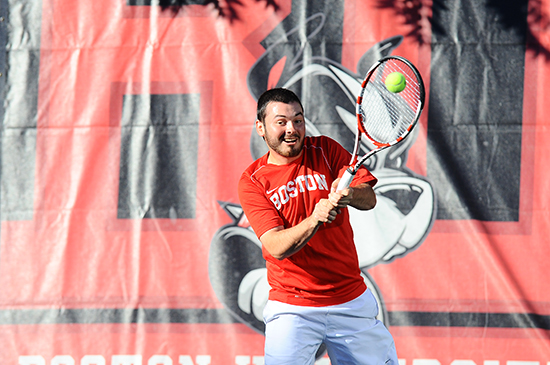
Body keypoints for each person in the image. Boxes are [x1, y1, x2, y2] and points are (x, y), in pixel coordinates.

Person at [238, 88, 398, 364]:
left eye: (298, 120)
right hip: (291, 306)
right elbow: (276, 246)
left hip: (349, 298)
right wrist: (315, 217)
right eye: (281, 122)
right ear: (261, 128)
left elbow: (369, 198)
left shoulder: (325, 149)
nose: (292, 129)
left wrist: (349, 195)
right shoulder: (253, 181)